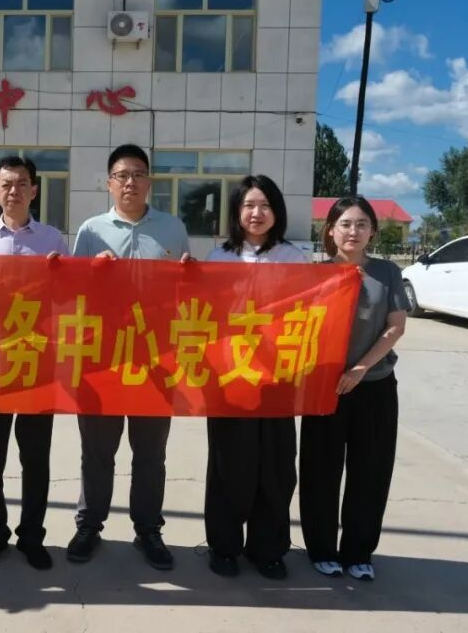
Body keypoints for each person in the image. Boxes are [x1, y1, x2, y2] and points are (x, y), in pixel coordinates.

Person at [68, 144, 190, 571]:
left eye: (138, 174)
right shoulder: (91, 231)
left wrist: (190, 274)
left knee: (150, 453)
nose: (130, 182)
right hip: (103, 358)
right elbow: (72, 293)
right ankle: (89, 525)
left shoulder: (173, 229)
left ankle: (148, 529)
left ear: (149, 182)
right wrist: (91, 273)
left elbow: (184, 292)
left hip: (156, 359)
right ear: (109, 183)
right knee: (97, 450)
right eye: (122, 175)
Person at [0, 156, 68, 570]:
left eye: (22, 183)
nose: (14, 191)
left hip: (37, 361)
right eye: (6, 184)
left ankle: (31, 536)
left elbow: (68, 297)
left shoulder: (53, 239)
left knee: (35, 458)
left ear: (34, 190)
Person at [203, 175, 308, 580]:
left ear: (276, 211)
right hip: (231, 377)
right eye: (248, 205)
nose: (256, 213)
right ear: (236, 212)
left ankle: (268, 550)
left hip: (278, 378)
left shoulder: (293, 258)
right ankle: (224, 547)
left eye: (265, 205)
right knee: (229, 464)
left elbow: (309, 314)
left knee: (276, 467)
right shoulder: (219, 258)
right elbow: (204, 315)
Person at [299, 195, 408, 582]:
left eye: (362, 224)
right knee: (320, 471)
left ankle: (359, 553)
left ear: (372, 232)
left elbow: (395, 326)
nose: (353, 231)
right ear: (330, 230)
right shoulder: (315, 274)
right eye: (345, 224)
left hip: (374, 386)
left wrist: (362, 368)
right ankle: (321, 550)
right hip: (324, 388)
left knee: (370, 471)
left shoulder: (387, 273)